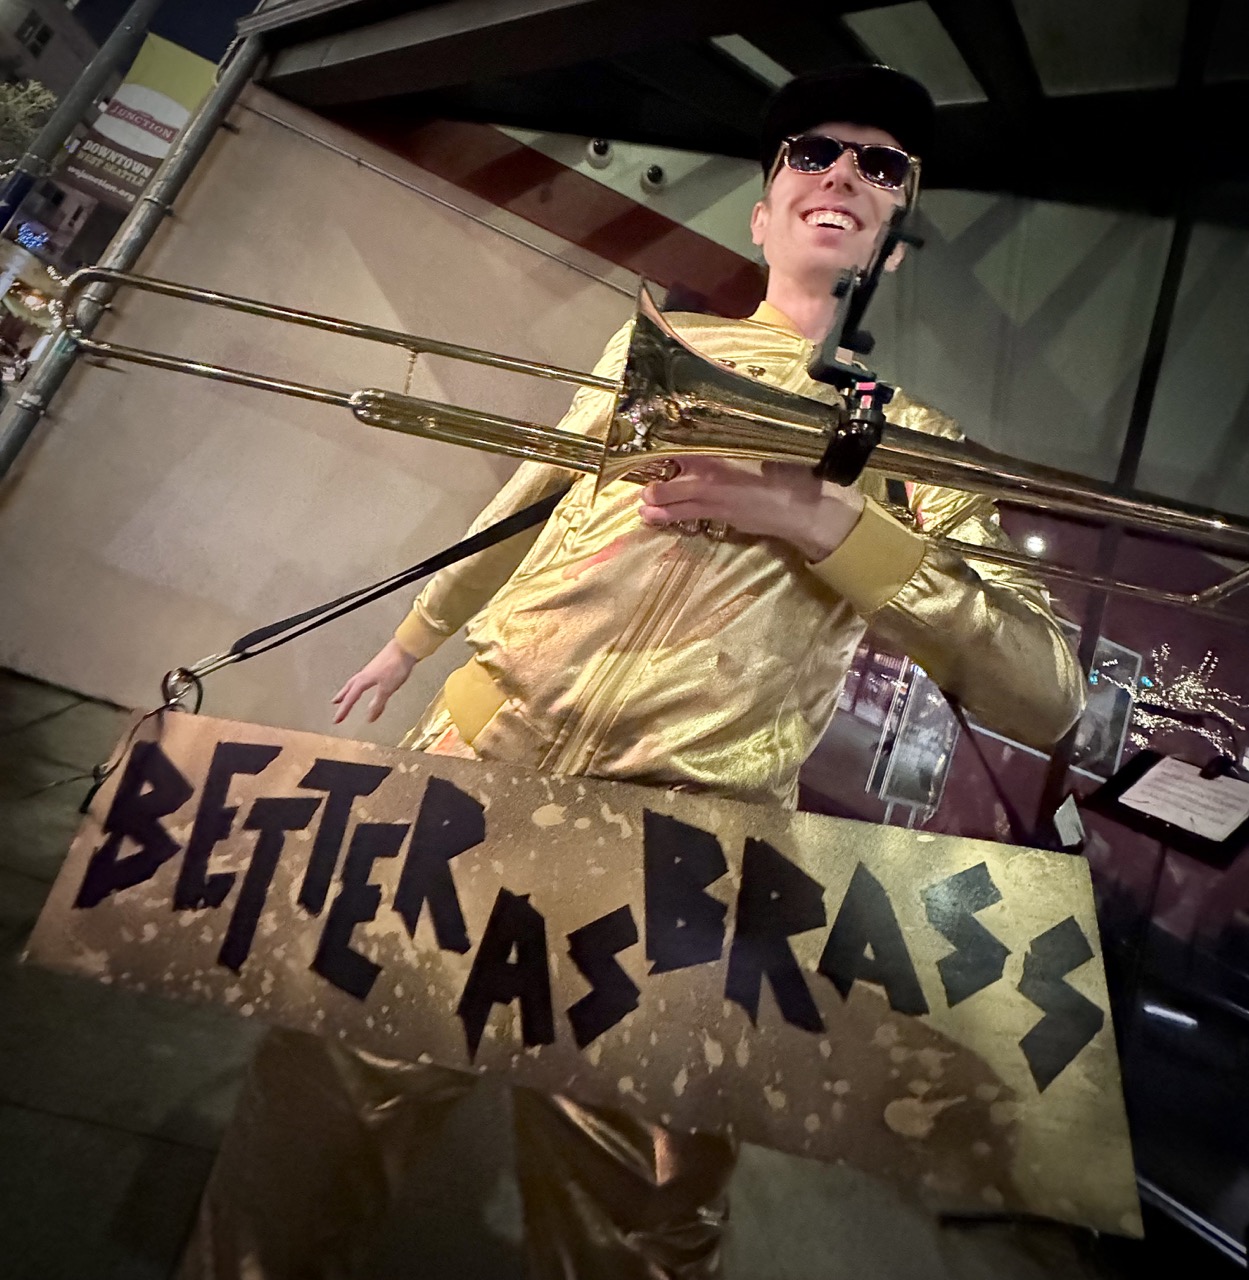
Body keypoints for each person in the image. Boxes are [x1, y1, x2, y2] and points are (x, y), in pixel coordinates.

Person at [182, 65, 1084, 1279]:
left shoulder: (922, 451)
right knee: (295, 1151)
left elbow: (1046, 692)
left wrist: (830, 526)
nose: (844, 175)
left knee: (633, 1231)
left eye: (882, 169)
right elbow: (529, 498)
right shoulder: (650, 347)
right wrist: (408, 642)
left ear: (893, 242)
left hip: (677, 876)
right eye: (813, 152)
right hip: (463, 788)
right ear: (764, 213)